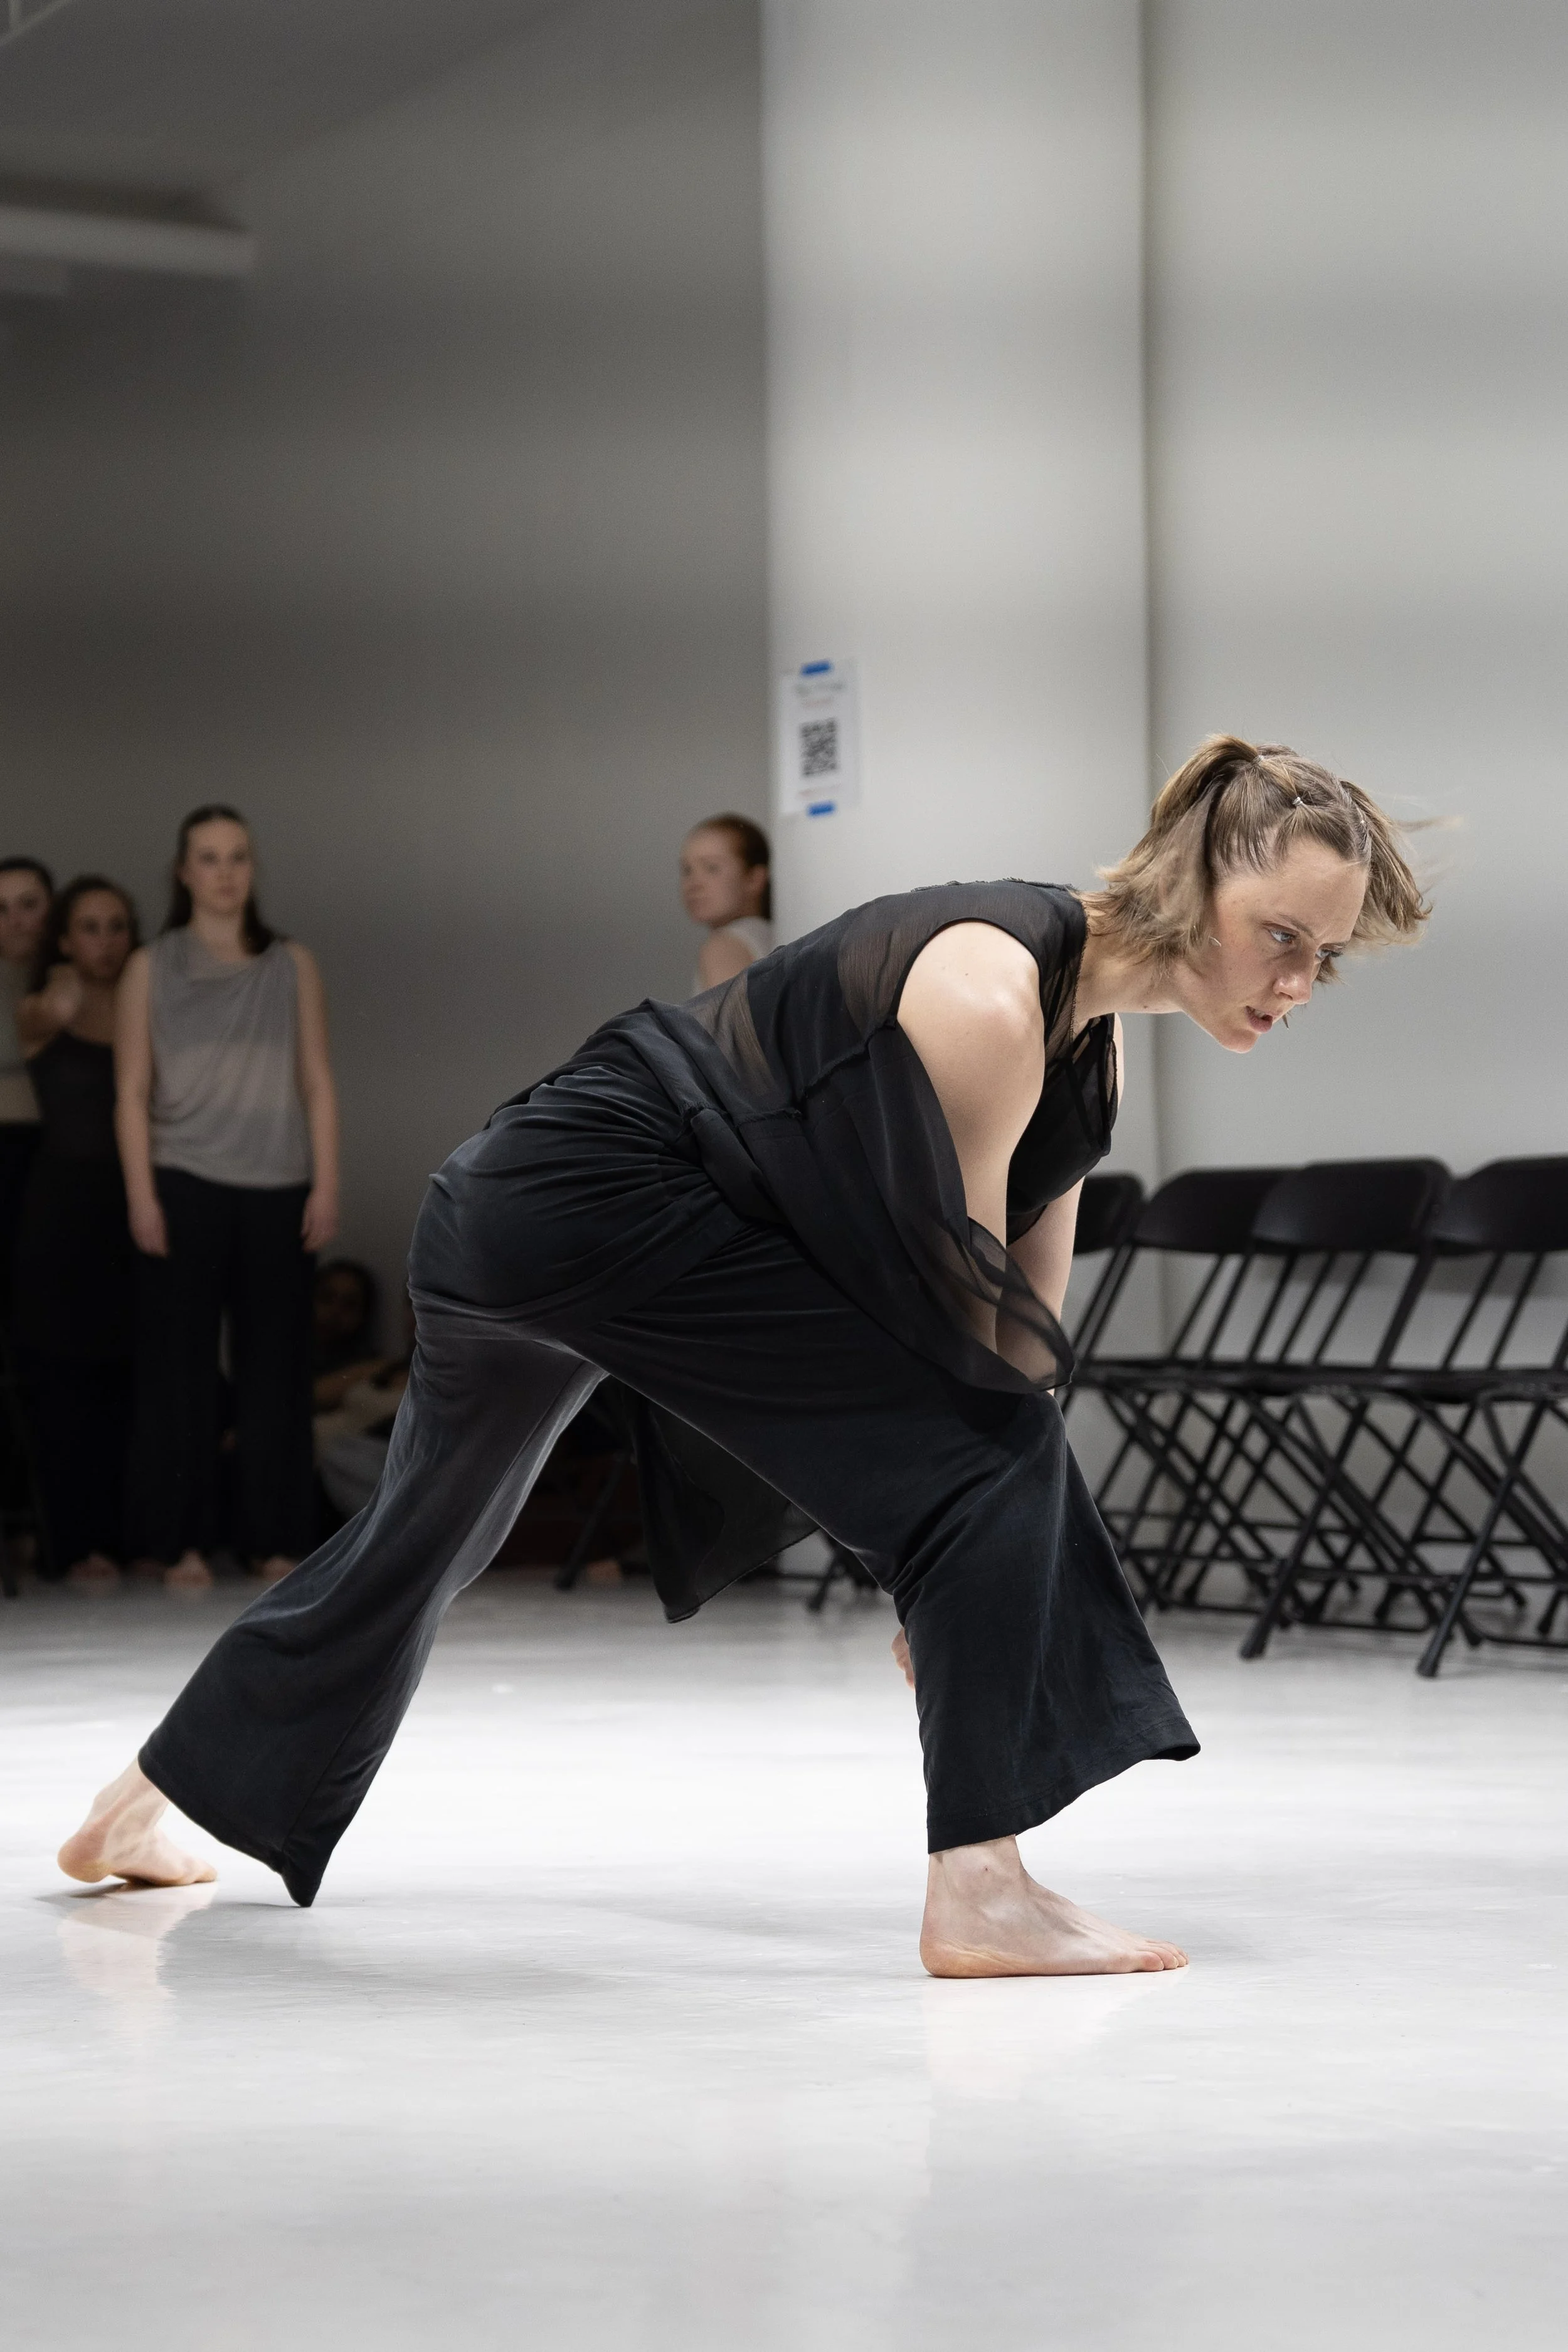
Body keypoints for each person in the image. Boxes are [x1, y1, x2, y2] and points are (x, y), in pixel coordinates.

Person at [60, 738, 1428, 1978]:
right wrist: (945, 1560)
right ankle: (981, 1889)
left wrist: (969, 1572)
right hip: (596, 1193)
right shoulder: (993, 994)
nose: (1297, 984)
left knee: (420, 1543)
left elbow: (1024, 1325)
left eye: (1324, 956)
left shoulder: (1092, 1047)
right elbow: (956, 1330)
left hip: (517, 1209)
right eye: (1281, 936)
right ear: (1192, 882)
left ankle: (141, 1801)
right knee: (985, 1460)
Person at [116, 806, 340, 1592]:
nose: (224, 872)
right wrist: (141, 1195)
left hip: (277, 1183)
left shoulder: (290, 963)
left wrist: (327, 1181)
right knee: (179, 1371)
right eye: (208, 858)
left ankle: (275, 1539)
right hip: (182, 1180)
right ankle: (180, 1542)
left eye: (237, 856)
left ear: (252, 868)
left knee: (275, 1370)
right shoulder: (151, 966)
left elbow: (316, 1080)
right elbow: (130, 1091)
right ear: (184, 872)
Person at [13, 878, 140, 1586]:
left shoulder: (146, 1002)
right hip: (61, 1208)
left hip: (135, 1202)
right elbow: (43, 1012)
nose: (105, 941)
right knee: (65, 1380)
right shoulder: (45, 1004)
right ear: (64, 937)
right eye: (89, 926)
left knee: (130, 1372)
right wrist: (62, 983)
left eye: (117, 926)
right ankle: (73, 1542)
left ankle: (128, 1538)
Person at [0, 857, 54, 1323]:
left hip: (63, 1149)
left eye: (28, 904)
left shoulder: (72, 977)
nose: (15, 920)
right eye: (1, 909)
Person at [680, 813, 772, 993]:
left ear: (755, 879)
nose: (694, 883)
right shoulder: (773, 936)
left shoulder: (723, 945)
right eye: (687, 870)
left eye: (712, 868)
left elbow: (731, 1013)